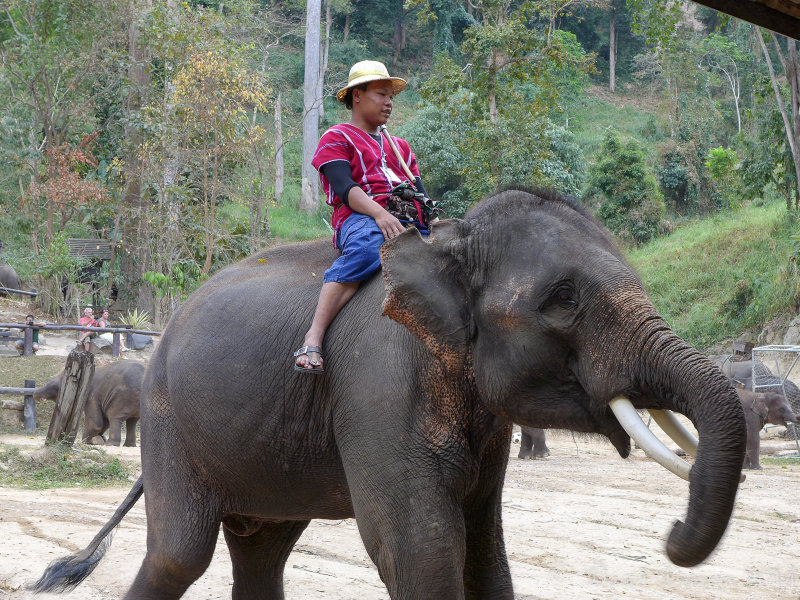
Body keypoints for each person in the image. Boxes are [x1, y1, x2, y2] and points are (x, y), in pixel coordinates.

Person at [293, 60, 430, 374]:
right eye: (381, 94)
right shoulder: (336, 137)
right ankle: (313, 336)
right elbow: (345, 189)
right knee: (368, 247)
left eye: (391, 96)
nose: (389, 102)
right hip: (359, 219)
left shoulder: (401, 148)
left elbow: (420, 192)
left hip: (408, 219)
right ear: (356, 95)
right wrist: (380, 213)